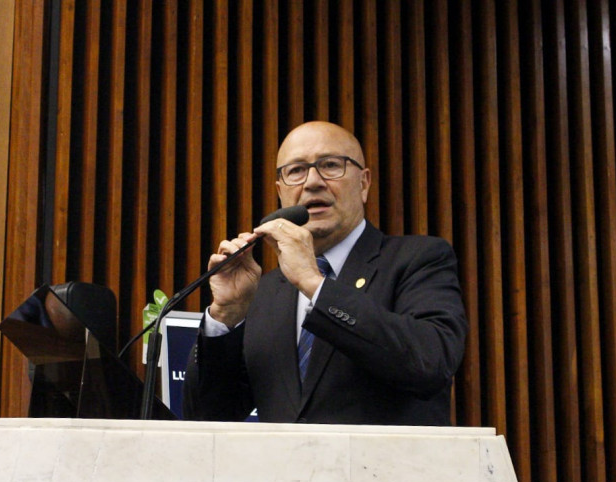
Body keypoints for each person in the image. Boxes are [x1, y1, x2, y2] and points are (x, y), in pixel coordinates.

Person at [183, 121, 468, 425]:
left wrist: (314, 285)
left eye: (331, 165)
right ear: (281, 192)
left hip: (384, 470)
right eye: (296, 171)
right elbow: (207, 415)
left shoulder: (418, 259)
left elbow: (431, 362)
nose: (312, 182)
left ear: (364, 183)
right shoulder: (263, 292)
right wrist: (227, 314)